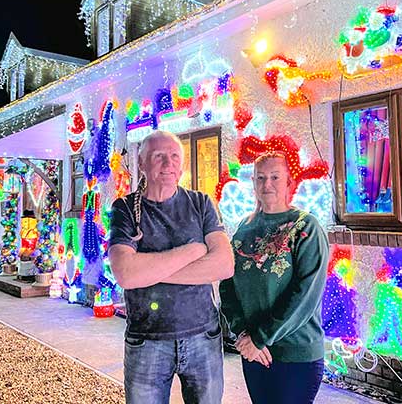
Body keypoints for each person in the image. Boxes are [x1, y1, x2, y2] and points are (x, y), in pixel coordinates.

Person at [108, 130, 234, 404]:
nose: (168, 164)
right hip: (147, 340)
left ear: (183, 164)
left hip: (204, 336)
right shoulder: (126, 209)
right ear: (141, 164)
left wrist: (151, 271)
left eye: (174, 156)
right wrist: (194, 251)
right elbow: (125, 274)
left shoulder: (201, 203)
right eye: (158, 156)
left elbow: (224, 265)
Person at [220, 151, 329, 404]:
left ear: (289, 182)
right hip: (255, 352)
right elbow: (227, 284)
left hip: (296, 354)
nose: (267, 184)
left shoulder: (305, 227)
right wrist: (243, 334)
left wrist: (260, 338)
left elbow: (305, 295)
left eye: (275, 177)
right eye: (260, 178)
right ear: (254, 183)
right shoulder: (244, 229)